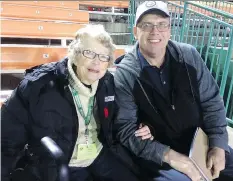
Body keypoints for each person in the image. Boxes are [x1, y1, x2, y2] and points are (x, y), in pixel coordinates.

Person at [1, 24, 153, 181]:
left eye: (103, 57)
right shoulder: (38, 85)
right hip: (61, 162)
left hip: (99, 154)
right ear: (75, 53)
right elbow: (6, 139)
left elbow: (121, 118)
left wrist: (143, 125)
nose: (97, 62)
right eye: (89, 53)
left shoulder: (108, 83)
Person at [114, 1, 233, 181]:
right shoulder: (125, 74)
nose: (155, 31)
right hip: (159, 155)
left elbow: (212, 101)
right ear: (135, 31)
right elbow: (126, 130)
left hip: (200, 142)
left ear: (169, 30)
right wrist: (170, 156)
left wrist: (218, 143)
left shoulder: (189, 55)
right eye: (146, 25)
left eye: (162, 24)